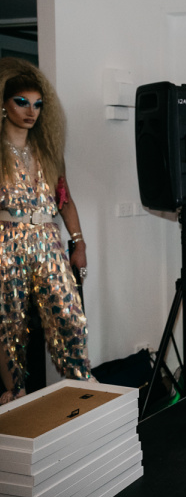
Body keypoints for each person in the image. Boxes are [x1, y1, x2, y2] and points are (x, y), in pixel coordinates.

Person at [0, 57, 93, 404]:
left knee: (68, 313)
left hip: (48, 239)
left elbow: (64, 200)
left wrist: (78, 243)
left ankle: (83, 382)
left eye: (37, 104)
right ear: (4, 104)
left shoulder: (48, 151)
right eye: (21, 102)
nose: (31, 112)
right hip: (6, 241)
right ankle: (15, 391)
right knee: (8, 320)